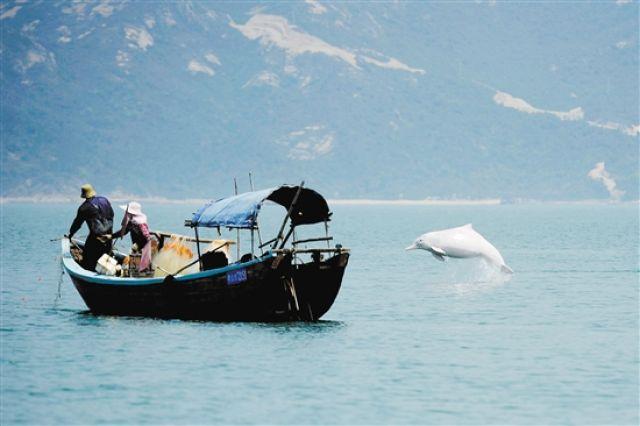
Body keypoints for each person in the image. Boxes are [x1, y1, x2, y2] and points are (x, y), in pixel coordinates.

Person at [66, 184, 114, 271]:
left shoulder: (84, 208)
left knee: (87, 260)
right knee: (105, 257)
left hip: (96, 239)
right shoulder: (104, 200)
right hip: (109, 238)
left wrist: (71, 234)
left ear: (84, 195)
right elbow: (112, 214)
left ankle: (89, 271)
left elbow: (77, 224)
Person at [112, 201, 152, 272]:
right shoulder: (142, 219)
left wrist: (111, 236)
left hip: (138, 247)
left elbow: (123, 232)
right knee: (144, 266)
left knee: (135, 268)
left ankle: (136, 275)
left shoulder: (133, 222)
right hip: (146, 245)